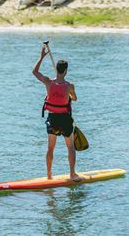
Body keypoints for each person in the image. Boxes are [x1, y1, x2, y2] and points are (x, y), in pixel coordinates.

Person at [32, 44, 81, 182]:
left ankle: (48, 176)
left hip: (52, 118)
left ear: (57, 70)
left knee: (50, 148)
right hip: (65, 119)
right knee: (70, 147)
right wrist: (70, 96)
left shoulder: (48, 82)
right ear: (65, 71)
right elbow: (75, 98)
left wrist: (41, 57)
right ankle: (72, 174)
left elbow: (34, 72)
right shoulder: (69, 85)